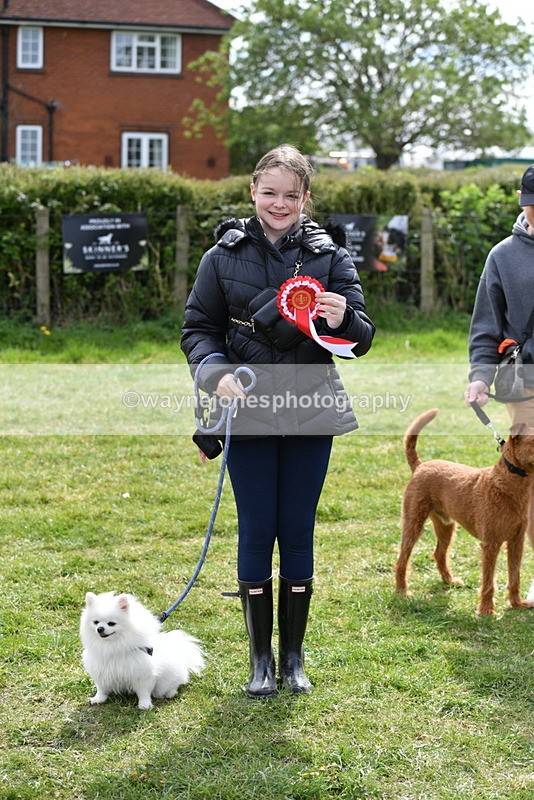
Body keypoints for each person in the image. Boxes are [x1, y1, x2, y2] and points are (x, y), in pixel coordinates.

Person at [181, 144, 375, 697]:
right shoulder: (221, 256)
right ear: (253, 192)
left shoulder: (331, 257)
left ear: (306, 197)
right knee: (255, 527)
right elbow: (198, 329)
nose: (279, 204)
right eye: (270, 193)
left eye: (291, 194)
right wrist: (214, 371)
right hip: (246, 412)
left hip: (311, 411)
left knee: (297, 528)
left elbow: (362, 337)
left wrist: (343, 318)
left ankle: (293, 658)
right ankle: (260, 661)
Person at [465, 163, 534, 544]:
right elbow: (485, 326)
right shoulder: (502, 256)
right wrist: (480, 377)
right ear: (521, 201)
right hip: (524, 383)